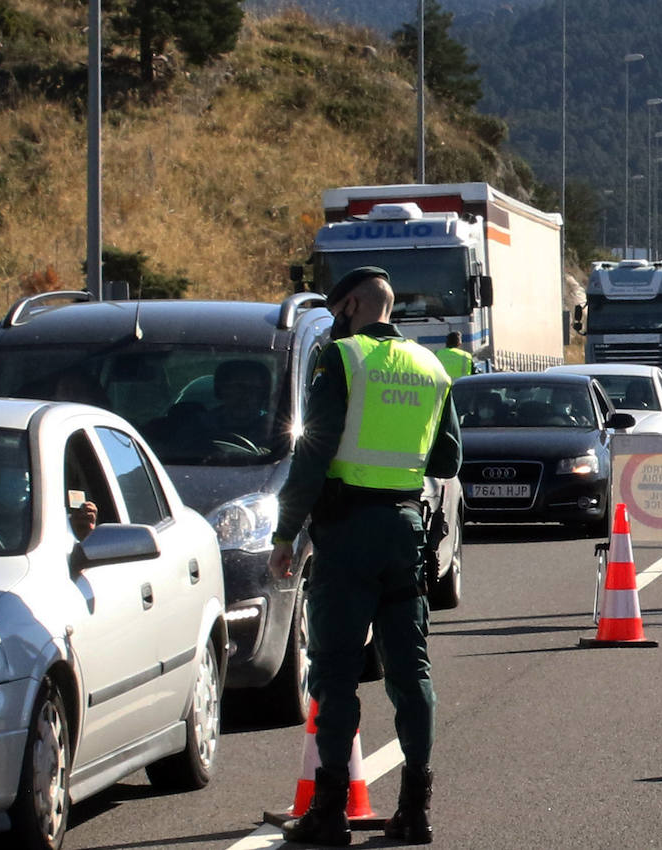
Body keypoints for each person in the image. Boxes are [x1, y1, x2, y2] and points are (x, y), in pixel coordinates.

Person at [268, 266, 460, 846]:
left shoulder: (342, 359)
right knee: (410, 671)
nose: (333, 321)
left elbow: (312, 452)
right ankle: (415, 808)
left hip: (347, 532)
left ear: (351, 304)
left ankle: (328, 814)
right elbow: (448, 459)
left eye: (335, 311)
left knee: (334, 670)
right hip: (404, 531)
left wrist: (285, 533)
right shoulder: (431, 367)